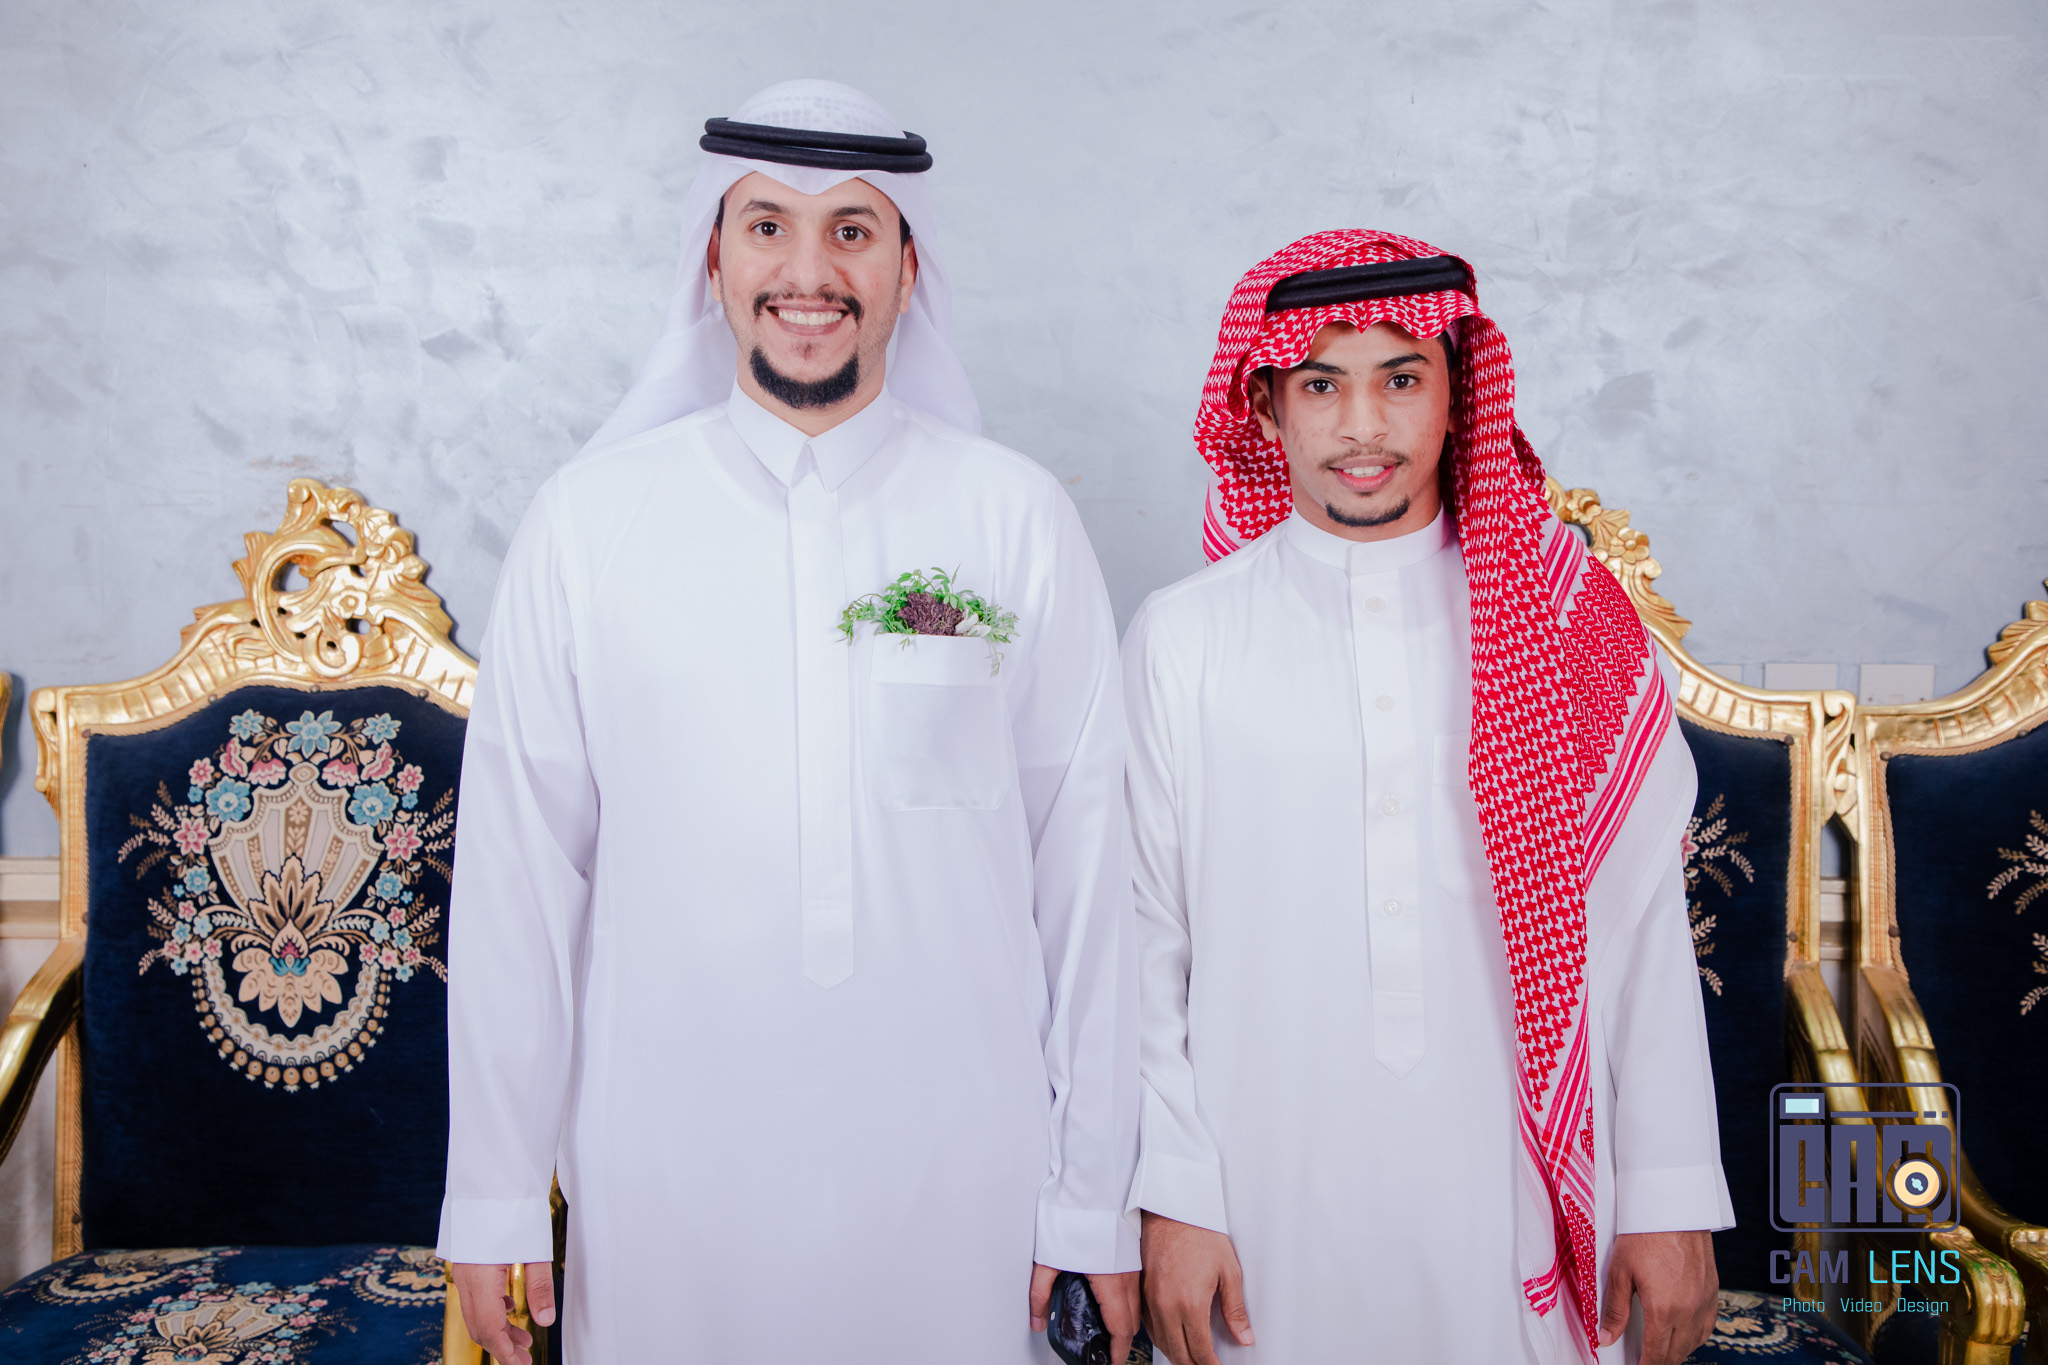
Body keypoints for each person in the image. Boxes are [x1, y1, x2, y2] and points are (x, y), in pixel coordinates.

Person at [436, 80, 1140, 1364]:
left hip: (962, 1176)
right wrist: (494, 1192)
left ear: (908, 270)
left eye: (851, 231)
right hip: (665, 1177)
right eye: (767, 227)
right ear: (711, 260)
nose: (807, 273)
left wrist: (1090, 1195)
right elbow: (516, 883)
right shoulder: (586, 526)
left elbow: (1088, 875)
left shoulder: (1014, 518)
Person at [1124, 230, 1730, 1365]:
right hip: (1256, 1200)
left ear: (1460, 397)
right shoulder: (1181, 638)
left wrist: (1667, 1194)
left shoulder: (1565, 624)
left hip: (1505, 1194)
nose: (1362, 426)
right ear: (1265, 410)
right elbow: (1144, 945)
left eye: (1401, 379)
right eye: (1321, 386)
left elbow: (1645, 933)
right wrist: (1173, 1198)